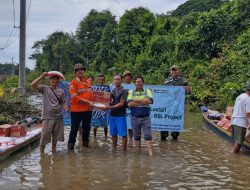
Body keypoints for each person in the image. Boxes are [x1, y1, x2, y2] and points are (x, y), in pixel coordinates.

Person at [31, 72, 69, 154]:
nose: (54, 81)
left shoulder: (61, 91)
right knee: (44, 137)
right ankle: (42, 154)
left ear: (58, 81)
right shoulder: (44, 89)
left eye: (56, 80)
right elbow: (33, 85)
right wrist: (41, 76)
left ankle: (53, 151)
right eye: (53, 79)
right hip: (47, 117)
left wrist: (66, 107)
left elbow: (63, 102)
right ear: (49, 81)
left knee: (55, 137)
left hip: (58, 117)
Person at [161, 65, 191, 141]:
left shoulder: (183, 81)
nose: (174, 71)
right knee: (165, 123)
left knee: (175, 127)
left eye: (175, 70)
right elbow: (162, 92)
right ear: (170, 71)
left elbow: (189, 92)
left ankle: (175, 138)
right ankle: (163, 136)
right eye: (172, 70)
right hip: (167, 105)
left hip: (178, 106)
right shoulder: (166, 81)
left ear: (179, 71)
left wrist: (187, 89)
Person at [68, 63, 93, 150]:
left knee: (87, 128)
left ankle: (86, 146)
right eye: (78, 70)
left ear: (84, 71)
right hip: (76, 111)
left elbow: (91, 94)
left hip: (88, 110)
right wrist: (88, 102)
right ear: (75, 72)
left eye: (81, 69)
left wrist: (94, 103)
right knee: (74, 129)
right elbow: (75, 97)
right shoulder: (72, 83)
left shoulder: (88, 81)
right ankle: (70, 148)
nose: (80, 71)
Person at [127, 76, 153, 156]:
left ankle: (151, 154)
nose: (139, 83)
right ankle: (137, 154)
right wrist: (143, 101)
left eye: (140, 81)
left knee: (148, 136)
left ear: (143, 82)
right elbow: (129, 104)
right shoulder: (131, 91)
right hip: (134, 118)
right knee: (137, 137)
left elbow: (150, 101)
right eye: (137, 82)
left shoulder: (147, 90)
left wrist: (136, 101)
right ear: (134, 83)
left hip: (146, 118)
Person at [103, 74, 128, 151]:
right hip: (112, 115)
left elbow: (121, 104)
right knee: (113, 134)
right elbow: (108, 103)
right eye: (115, 79)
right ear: (113, 81)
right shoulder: (112, 91)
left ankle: (124, 152)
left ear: (121, 81)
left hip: (121, 115)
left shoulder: (124, 91)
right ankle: (114, 150)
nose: (116, 81)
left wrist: (109, 107)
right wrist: (104, 106)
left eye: (118, 79)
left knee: (123, 134)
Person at [231, 83, 250, 153]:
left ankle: (232, 154)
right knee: (238, 144)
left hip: (234, 121)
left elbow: (234, 109)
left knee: (235, 141)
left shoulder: (239, 96)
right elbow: (248, 113)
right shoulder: (248, 99)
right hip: (240, 123)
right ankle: (234, 158)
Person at [91, 74, 110, 139]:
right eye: (99, 80)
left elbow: (108, 97)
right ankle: (94, 137)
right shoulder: (94, 87)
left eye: (102, 80)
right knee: (95, 124)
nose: (101, 81)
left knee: (105, 125)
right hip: (95, 108)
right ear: (97, 80)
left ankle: (106, 137)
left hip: (104, 108)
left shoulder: (107, 88)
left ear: (104, 80)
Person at [123, 70, 134, 141]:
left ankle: (130, 140)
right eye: (126, 76)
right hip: (122, 108)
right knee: (123, 126)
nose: (127, 77)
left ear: (131, 78)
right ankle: (124, 140)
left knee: (130, 126)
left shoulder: (134, 86)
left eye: (129, 76)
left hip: (131, 108)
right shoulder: (120, 86)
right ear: (124, 78)